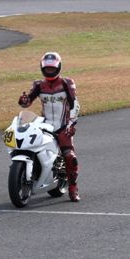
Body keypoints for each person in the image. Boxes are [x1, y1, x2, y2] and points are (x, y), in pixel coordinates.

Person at [18, 52, 81, 201]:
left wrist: (71, 123)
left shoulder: (67, 83)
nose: (50, 71)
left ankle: (73, 188)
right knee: (31, 146)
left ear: (58, 67)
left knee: (70, 157)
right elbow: (27, 103)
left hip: (63, 126)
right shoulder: (38, 85)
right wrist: (24, 100)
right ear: (42, 68)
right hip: (45, 126)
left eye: (52, 68)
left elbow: (75, 104)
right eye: (47, 68)